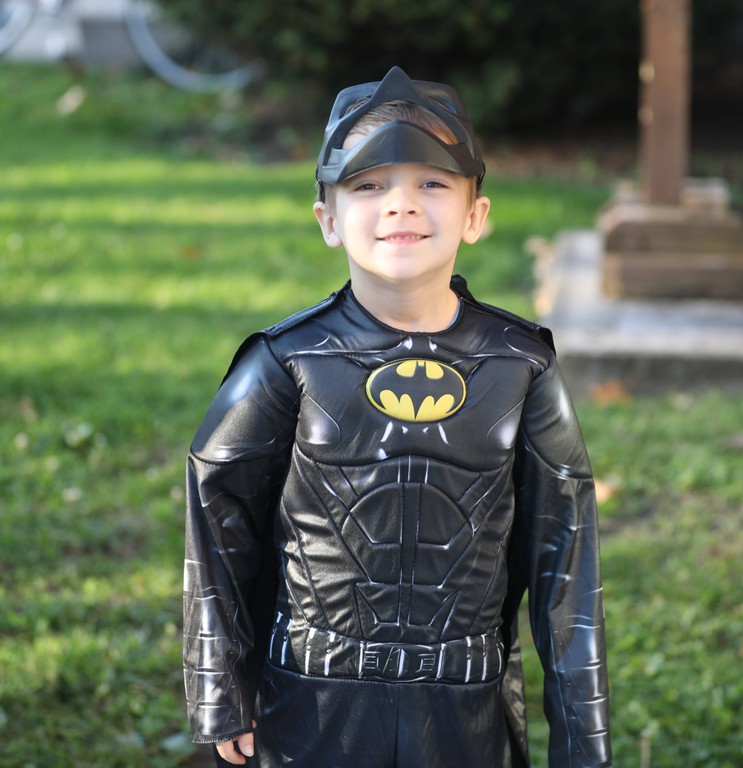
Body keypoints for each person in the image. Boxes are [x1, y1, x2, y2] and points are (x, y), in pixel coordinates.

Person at [183, 66, 612, 768]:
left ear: (476, 215)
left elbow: (567, 564)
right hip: (313, 703)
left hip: (464, 710)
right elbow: (218, 516)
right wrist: (220, 692)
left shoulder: (520, 366)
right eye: (369, 185)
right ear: (327, 219)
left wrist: (584, 743)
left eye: (433, 183)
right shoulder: (286, 361)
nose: (401, 206)